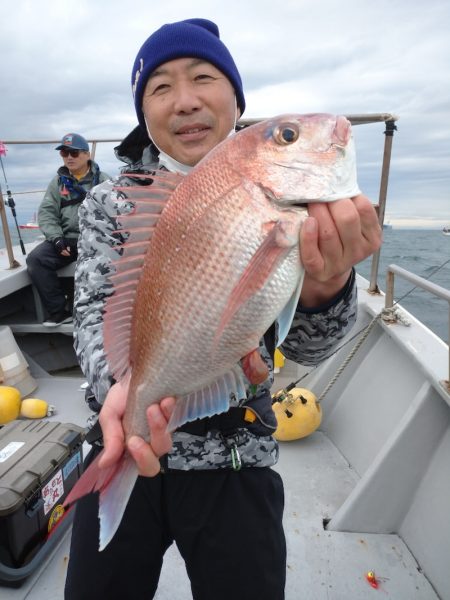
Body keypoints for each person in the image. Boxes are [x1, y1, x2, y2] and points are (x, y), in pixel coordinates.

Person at [65, 18, 382, 600]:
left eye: (203, 77)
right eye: (159, 87)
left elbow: (307, 348)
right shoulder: (113, 201)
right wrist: (128, 389)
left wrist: (327, 283)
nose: (184, 100)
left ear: (237, 99)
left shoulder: (303, 204)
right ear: (144, 112)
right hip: (123, 430)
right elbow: (90, 312)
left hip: (236, 454)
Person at [26, 133, 110, 326]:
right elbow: (47, 213)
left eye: (74, 152)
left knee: (110, 264)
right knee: (36, 260)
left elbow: (115, 215)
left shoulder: (104, 181)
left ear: (87, 155)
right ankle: (59, 311)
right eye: (64, 153)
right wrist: (56, 239)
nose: (69, 157)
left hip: (96, 240)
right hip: (67, 240)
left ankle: (102, 314)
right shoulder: (57, 182)